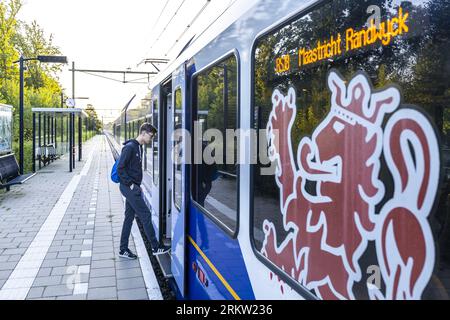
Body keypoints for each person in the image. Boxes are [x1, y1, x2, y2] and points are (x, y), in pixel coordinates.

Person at [117, 122, 170, 259]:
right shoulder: (130, 148)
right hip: (129, 188)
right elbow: (120, 169)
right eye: (150, 136)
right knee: (146, 214)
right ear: (144, 133)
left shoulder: (138, 147)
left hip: (133, 187)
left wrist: (137, 184)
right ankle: (155, 246)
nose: (151, 139)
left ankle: (123, 250)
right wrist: (131, 185)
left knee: (128, 218)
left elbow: (133, 169)